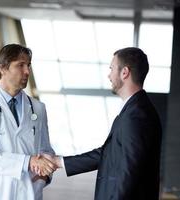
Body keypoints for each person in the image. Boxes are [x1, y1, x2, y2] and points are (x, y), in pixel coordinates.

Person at [43, 47, 162, 200]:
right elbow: (108, 154)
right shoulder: (134, 109)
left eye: (112, 68)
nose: (109, 75)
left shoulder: (136, 115)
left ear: (124, 72)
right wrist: (58, 162)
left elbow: (129, 173)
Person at [0, 44, 56, 200]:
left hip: (29, 192)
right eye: (20, 65)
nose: (27, 71)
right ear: (2, 69)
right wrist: (28, 161)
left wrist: (44, 178)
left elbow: (46, 150)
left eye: (28, 65)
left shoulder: (38, 108)